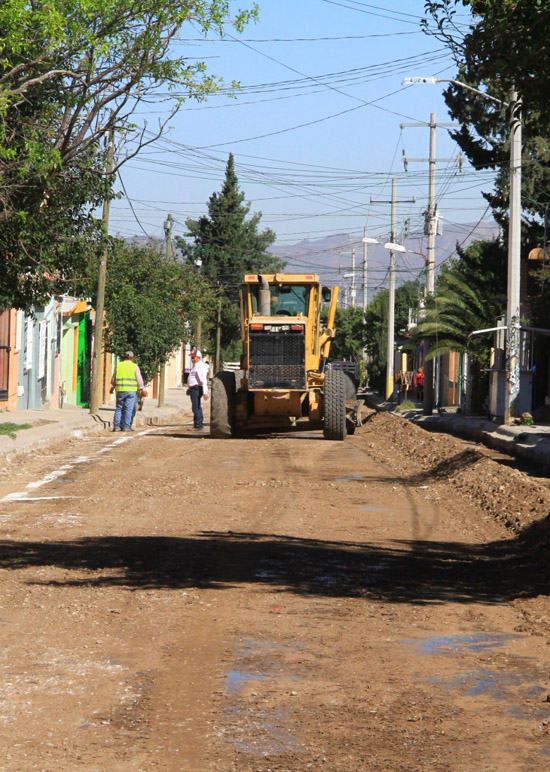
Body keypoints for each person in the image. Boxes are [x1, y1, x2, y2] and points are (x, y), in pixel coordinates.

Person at [110, 351, 146, 432]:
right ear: (132, 358)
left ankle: (117, 427)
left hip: (120, 390)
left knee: (119, 408)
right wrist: (142, 389)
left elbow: (114, 378)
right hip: (131, 391)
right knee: (128, 409)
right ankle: (126, 427)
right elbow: (139, 380)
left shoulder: (119, 365)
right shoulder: (134, 367)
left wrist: (112, 388)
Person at [186, 348, 209, 430]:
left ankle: (198, 424)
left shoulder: (200, 366)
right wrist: (189, 388)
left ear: (198, 357)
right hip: (193, 389)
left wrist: (205, 392)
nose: (192, 359)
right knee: (196, 407)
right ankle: (197, 424)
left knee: (196, 407)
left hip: (196, 389)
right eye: (191, 357)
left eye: (193, 357)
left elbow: (203, 379)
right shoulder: (196, 366)